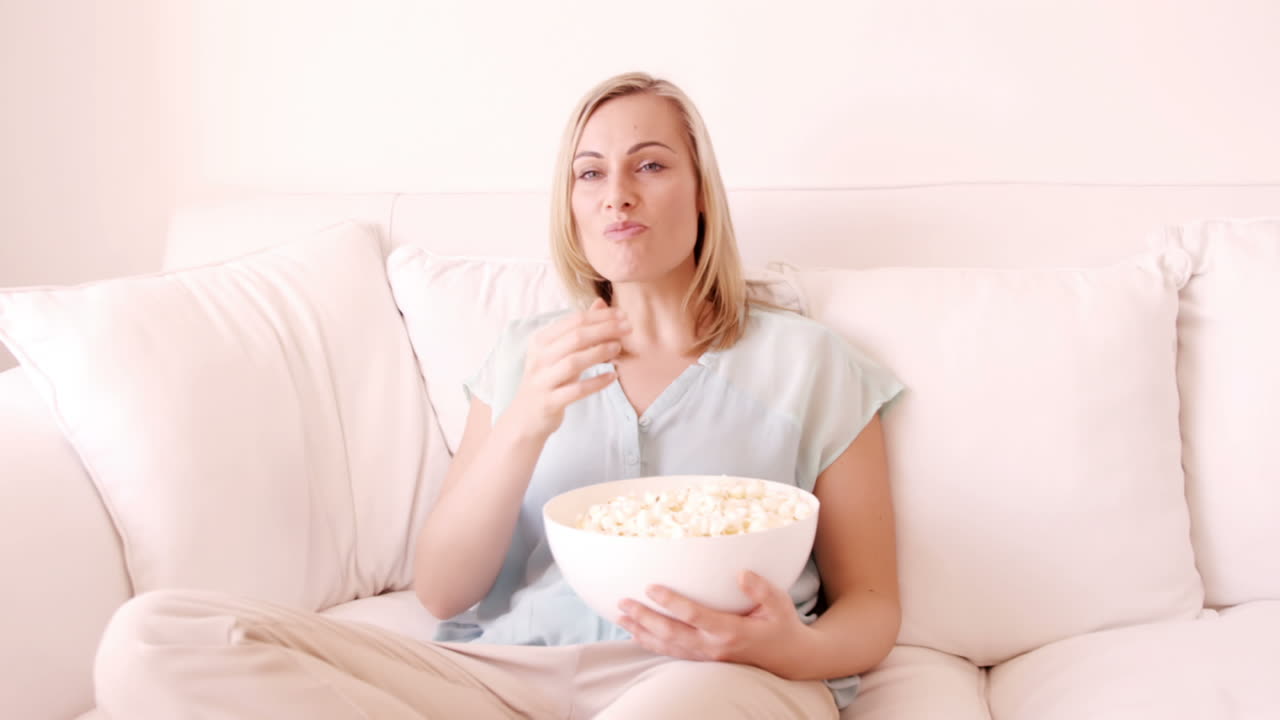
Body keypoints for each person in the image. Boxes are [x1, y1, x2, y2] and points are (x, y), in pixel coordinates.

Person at [93, 72, 906, 720]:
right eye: (591, 173)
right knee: (152, 639)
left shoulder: (810, 362)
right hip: (510, 678)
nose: (616, 193)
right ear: (572, 205)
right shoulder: (527, 355)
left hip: (715, 679)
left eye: (651, 165)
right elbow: (444, 591)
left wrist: (785, 651)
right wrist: (524, 423)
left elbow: (871, 604)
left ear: (701, 193)